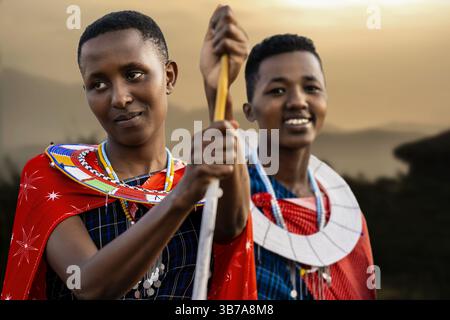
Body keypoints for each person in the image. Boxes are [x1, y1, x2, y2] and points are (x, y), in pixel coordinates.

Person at [1, 7, 257, 300]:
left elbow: (232, 228)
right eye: (98, 84)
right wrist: (184, 194)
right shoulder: (54, 175)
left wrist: (217, 94)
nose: (119, 97)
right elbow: (88, 285)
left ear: (169, 77)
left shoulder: (197, 179)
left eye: (134, 74)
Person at [242, 34, 376, 300]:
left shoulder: (346, 215)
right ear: (249, 111)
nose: (298, 101)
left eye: (311, 88)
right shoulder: (232, 198)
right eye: (278, 91)